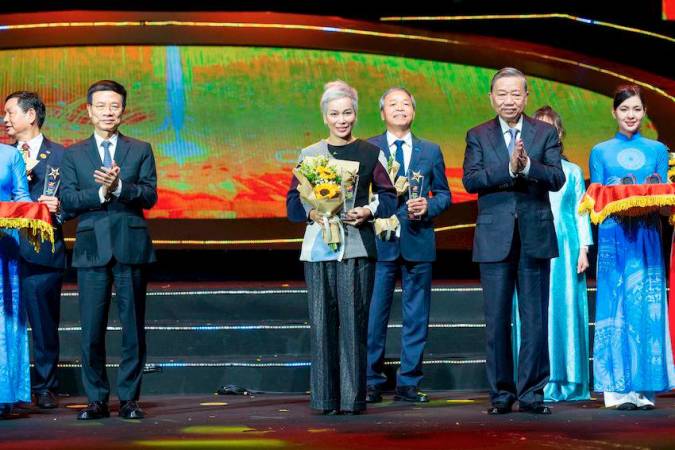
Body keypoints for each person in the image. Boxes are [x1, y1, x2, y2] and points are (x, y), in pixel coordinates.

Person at [286, 80, 396, 415]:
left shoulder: (370, 153)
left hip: (357, 248)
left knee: (353, 323)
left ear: (356, 115)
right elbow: (292, 204)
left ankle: (352, 398)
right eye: (335, 113)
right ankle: (325, 399)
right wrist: (313, 212)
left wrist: (368, 210)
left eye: (347, 112)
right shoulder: (310, 155)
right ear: (325, 117)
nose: (342, 119)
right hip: (318, 250)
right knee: (321, 323)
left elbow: (390, 197)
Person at [462, 67, 565, 415]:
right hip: (494, 238)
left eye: (515, 94)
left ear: (526, 96)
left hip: (534, 236)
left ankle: (533, 393)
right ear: (491, 97)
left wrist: (527, 166)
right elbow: (471, 180)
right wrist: (508, 169)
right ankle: (502, 394)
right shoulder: (477, 134)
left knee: (535, 320)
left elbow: (557, 177)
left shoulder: (544, 133)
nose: (508, 100)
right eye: (502, 94)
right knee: (497, 321)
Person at [60, 80, 157, 420]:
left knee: (132, 327)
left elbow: (149, 195)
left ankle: (129, 398)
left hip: (130, 245)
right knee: (91, 328)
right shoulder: (73, 154)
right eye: (101, 105)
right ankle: (97, 399)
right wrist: (100, 194)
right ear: (88, 111)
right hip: (91, 248)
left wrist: (120, 188)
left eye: (114, 105)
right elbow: (68, 200)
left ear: (123, 110)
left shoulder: (140, 148)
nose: (107, 111)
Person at [590, 84, 675, 410]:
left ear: (644, 112)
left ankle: (645, 389)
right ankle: (616, 391)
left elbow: (664, 196)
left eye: (636, 110)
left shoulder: (656, 149)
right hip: (614, 238)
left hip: (647, 237)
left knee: (647, 308)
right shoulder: (600, 151)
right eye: (624, 110)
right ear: (614, 112)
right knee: (615, 308)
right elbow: (595, 199)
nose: (630, 115)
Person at [365, 87, 451, 403]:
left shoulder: (430, 150)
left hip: (419, 239)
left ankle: (408, 383)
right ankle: (371, 381)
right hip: (380, 242)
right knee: (375, 313)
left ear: (413, 112)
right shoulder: (368, 148)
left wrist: (429, 206)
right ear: (383, 113)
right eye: (393, 104)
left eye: (406, 104)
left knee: (417, 315)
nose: (400, 109)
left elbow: (444, 193)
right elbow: (358, 194)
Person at [512, 105, 593, 402]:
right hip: (533, 246)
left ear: (558, 135)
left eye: (552, 130)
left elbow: (580, 211)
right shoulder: (522, 169)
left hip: (566, 246)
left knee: (565, 310)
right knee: (535, 312)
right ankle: (535, 381)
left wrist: (584, 247)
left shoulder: (572, 171)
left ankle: (568, 380)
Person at [3, 91, 66, 409]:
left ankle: (45, 386)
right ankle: (9, 386)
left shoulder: (61, 156)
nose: (5, 120)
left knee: (43, 322)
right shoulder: (4, 155)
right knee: (7, 322)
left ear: (31, 115)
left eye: (10, 112)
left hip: (41, 250)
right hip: (6, 251)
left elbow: (74, 198)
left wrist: (60, 207)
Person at [0, 142, 33, 416]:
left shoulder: (10, 155)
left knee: (5, 317)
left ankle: (4, 393)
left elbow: (22, 198)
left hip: (4, 246)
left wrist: (36, 210)